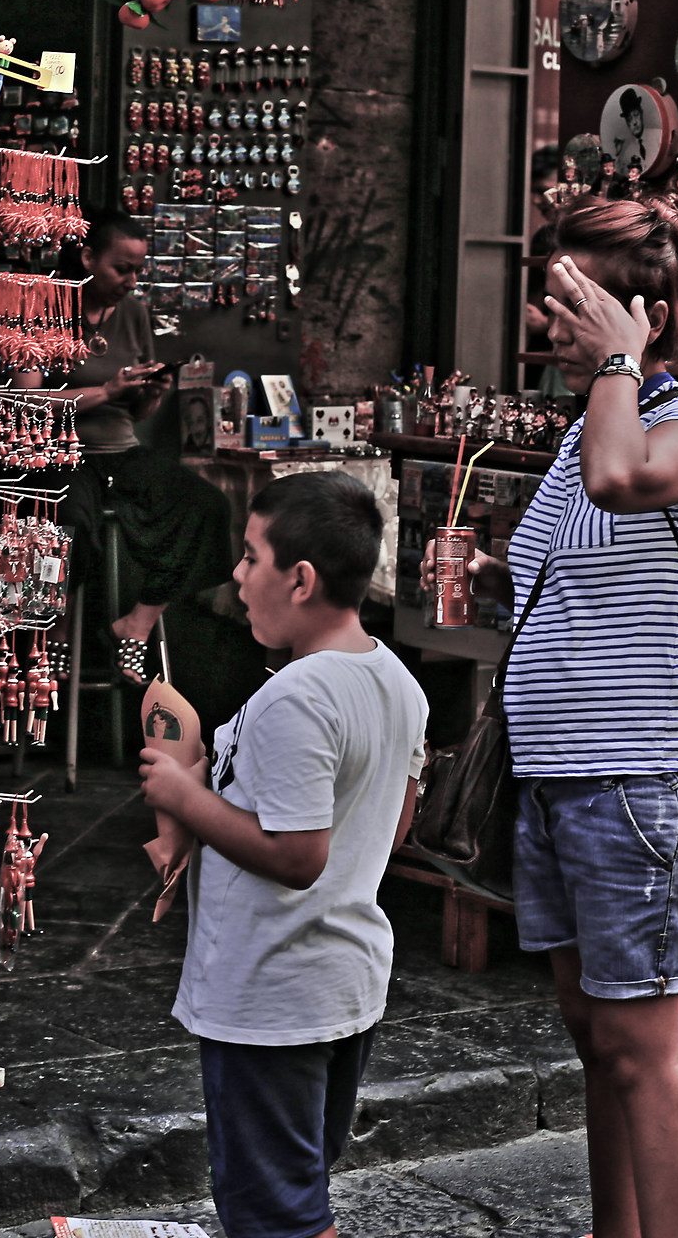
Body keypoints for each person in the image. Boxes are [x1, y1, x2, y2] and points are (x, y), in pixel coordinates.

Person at [430, 197, 678, 1238]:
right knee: (597, 1040)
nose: (546, 323)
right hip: (560, 776)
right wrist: (485, 572)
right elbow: (574, 573)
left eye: (571, 304)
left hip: (642, 781)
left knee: (644, 1054)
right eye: (550, 303)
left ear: (637, 314)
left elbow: (623, 481)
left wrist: (620, 359)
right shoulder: (579, 434)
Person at [138, 470, 429, 1238]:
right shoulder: (397, 683)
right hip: (341, 985)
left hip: (273, 998)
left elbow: (298, 855)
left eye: (249, 556)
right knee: (294, 1196)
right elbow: (395, 825)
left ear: (300, 580)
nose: (237, 576)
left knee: (276, 1217)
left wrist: (183, 797)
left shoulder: (297, 697)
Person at [19, 209, 233, 683]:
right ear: (88, 257)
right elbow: (26, 401)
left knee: (207, 507)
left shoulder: (134, 314)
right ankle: (58, 630)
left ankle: (137, 623)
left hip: (122, 451)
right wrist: (105, 391)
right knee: (70, 524)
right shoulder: (42, 309)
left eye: (138, 270)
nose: (131, 281)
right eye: (122, 268)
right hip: (61, 454)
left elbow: (137, 414)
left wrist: (151, 394)